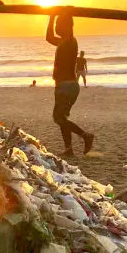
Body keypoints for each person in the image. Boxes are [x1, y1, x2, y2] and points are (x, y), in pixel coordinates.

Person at [46, 14, 95, 157]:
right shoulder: (61, 42)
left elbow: (69, 29)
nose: (56, 28)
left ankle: (85, 135)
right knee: (62, 119)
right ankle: (69, 150)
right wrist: (52, 16)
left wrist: (66, 13)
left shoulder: (70, 41)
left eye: (58, 25)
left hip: (67, 86)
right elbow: (48, 37)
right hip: (64, 86)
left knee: (58, 118)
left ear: (66, 26)